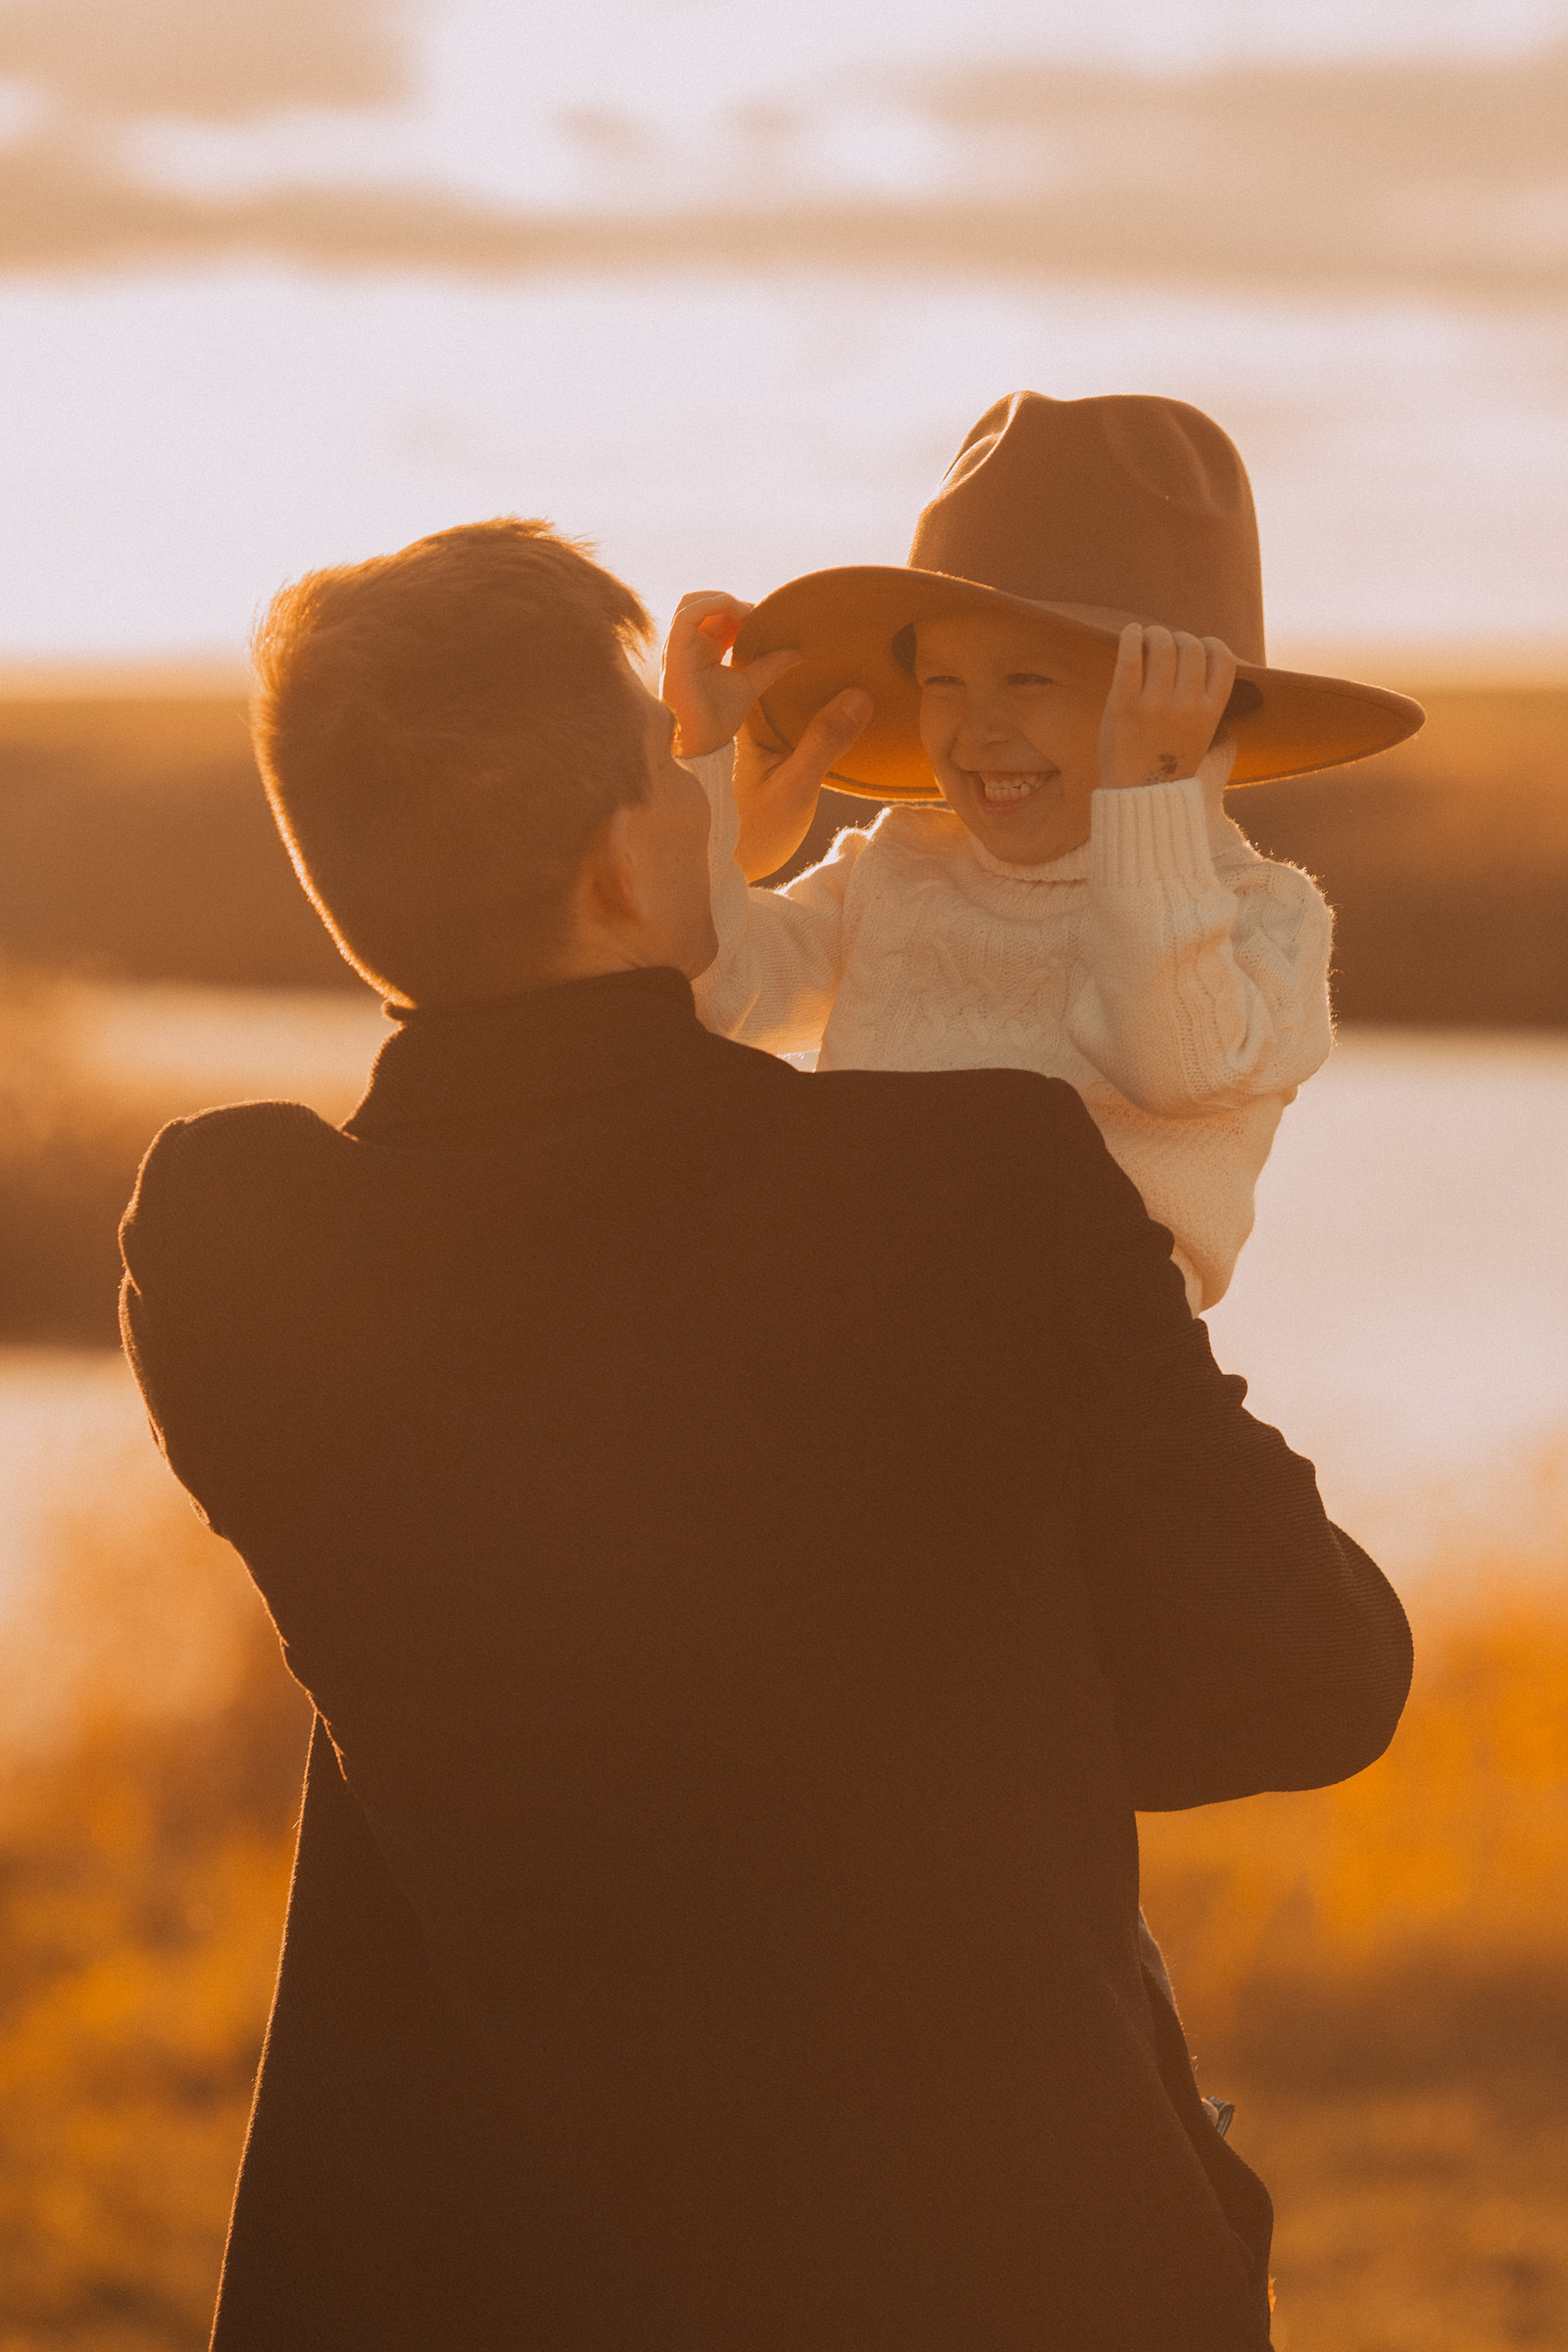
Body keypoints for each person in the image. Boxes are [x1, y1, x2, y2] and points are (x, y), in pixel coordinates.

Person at [120, 514, 1412, 2351]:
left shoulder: (237, 1246)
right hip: (993, 2272)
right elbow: (1309, 1678)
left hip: (472, 2281)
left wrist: (668, 871)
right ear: (621, 876)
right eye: (680, 766)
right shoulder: (972, 1187)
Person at [668, 390, 1426, 1311]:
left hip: (1084, 1357)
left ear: (1182, 712)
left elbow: (1173, 1064)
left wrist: (1150, 796)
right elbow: (710, 1001)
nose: (979, 727)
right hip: (860, 1323)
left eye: (1029, 678)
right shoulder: (901, 865)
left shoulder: (1266, 915)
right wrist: (706, 798)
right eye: (944, 682)